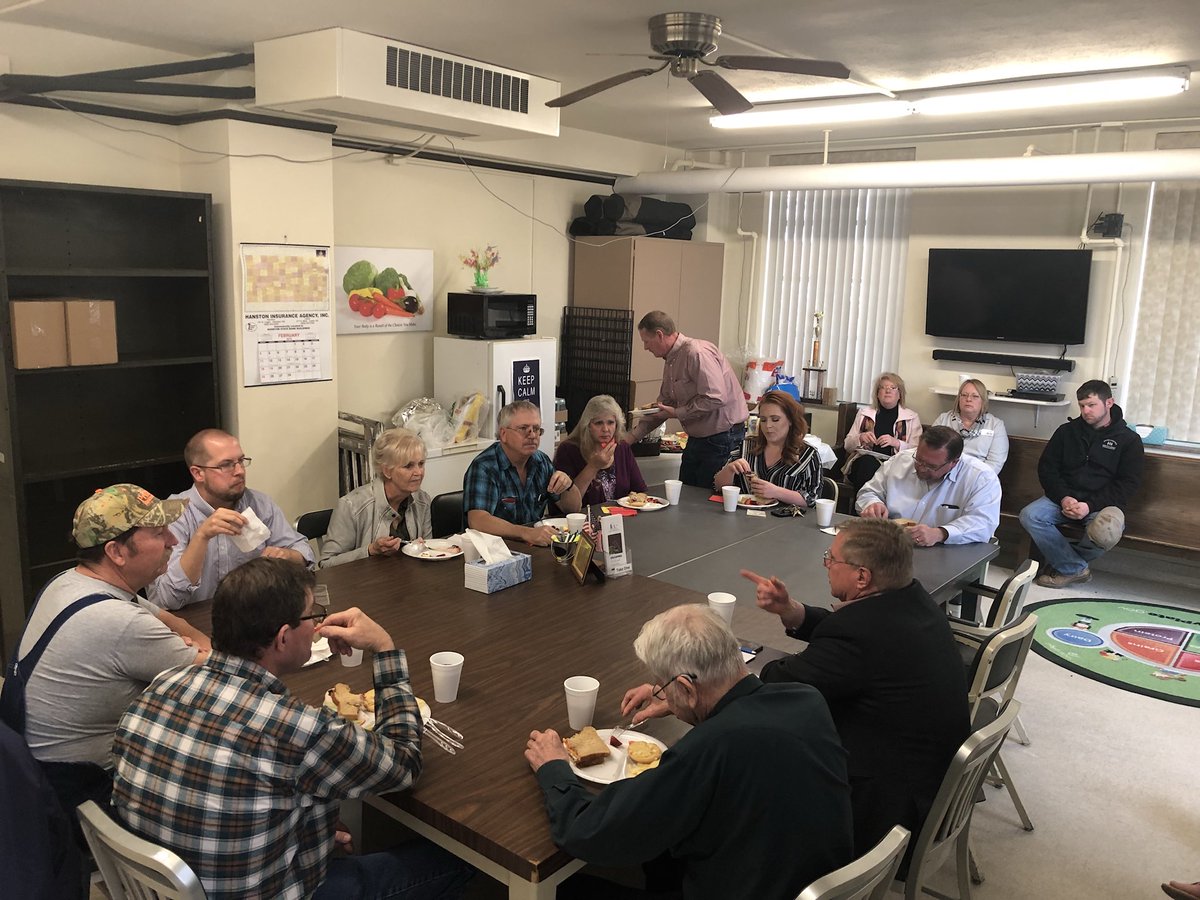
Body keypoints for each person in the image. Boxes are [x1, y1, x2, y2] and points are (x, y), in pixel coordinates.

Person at [112, 557, 474, 900]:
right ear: (283, 638)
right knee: (459, 859)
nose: (317, 625)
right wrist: (383, 648)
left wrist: (307, 830)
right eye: (312, 615)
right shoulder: (295, 728)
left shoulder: (164, 684)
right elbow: (404, 763)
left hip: (171, 885)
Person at [524, 605, 853, 900]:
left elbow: (588, 833)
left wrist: (554, 767)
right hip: (812, 881)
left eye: (664, 686)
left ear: (686, 687)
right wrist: (686, 704)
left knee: (570, 888)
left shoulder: (709, 747)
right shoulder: (806, 700)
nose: (661, 692)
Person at [741, 518, 970, 862]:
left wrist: (730, 662)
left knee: (749, 764)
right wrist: (790, 611)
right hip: (931, 783)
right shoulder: (912, 600)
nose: (826, 565)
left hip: (888, 812)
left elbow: (779, 683)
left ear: (862, 577)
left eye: (832, 559)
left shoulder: (859, 635)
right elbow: (850, 632)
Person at [12, 484, 208, 821]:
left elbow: (172, 620)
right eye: (159, 533)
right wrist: (193, 644)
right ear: (116, 552)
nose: (173, 541)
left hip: (31, 774)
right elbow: (218, 674)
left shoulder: (69, 581)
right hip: (81, 796)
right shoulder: (118, 620)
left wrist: (184, 639)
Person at [149, 428, 314, 608]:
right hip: (193, 618)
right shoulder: (173, 515)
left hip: (252, 612)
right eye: (226, 465)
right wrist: (201, 537)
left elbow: (303, 553)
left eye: (241, 461)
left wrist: (287, 555)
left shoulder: (260, 504)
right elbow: (167, 599)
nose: (240, 471)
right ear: (198, 473)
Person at [1019, 379, 1144, 588]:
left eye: (1092, 405)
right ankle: (1074, 569)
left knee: (1107, 532)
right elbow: (1047, 469)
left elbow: (1128, 484)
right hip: (1063, 499)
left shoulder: (1129, 440)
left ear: (1109, 403)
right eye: (1082, 405)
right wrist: (1064, 497)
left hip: (1101, 504)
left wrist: (1089, 505)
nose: (1086, 411)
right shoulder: (1066, 432)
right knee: (1030, 515)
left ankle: (1065, 564)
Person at [625, 311, 749, 489]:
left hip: (721, 437)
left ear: (659, 335)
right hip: (699, 437)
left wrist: (677, 413)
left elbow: (715, 397)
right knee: (686, 493)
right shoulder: (671, 360)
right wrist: (629, 439)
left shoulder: (696, 353)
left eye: (646, 341)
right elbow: (664, 405)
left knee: (707, 496)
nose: (645, 347)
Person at [857, 425, 1001, 547]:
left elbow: (983, 523)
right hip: (891, 544)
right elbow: (868, 492)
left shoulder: (981, 478)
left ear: (954, 462)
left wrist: (940, 533)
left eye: (931, 466)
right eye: (918, 459)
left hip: (948, 551)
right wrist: (872, 504)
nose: (921, 468)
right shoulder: (900, 461)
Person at [464, 400, 581, 546]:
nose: (532, 435)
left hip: (533, 547)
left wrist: (568, 485)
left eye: (536, 429)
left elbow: (573, 509)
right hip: (493, 550)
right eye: (523, 428)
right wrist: (526, 533)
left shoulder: (541, 461)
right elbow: (478, 520)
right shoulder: (485, 466)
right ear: (503, 434)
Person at [321, 427, 433, 567]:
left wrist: (424, 547)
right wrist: (370, 550)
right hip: (364, 579)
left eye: (421, 464)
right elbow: (327, 564)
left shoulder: (423, 500)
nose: (418, 472)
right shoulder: (351, 506)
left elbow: (428, 551)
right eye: (408, 466)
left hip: (408, 577)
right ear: (387, 471)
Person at [713, 389, 822, 507]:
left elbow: (812, 500)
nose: (768, 426)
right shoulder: (746, 447)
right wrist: (729, 470)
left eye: (775, 419)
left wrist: (777, 492)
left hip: (786, 517)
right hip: (744, 516)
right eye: (763, 420)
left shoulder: (808, 455)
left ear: (791, 420)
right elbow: (718, 487)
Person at [554, 394, 648, 506]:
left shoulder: (622, 447)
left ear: (617, 424)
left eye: (610, 422)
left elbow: (640, 490)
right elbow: (566, 504)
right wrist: (593, 466)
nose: (605, 429)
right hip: (585, 516)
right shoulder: (568, 450)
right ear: (588, 425)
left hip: (622, 515)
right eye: (598, 423)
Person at [841, 372, 923, 492]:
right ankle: (865, 502)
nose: (888, 391)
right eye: (883, 387)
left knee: (884, 473)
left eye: (893, 388)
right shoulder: (864, 413)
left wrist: (896, 443)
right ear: (877, 394)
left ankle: (865, 503)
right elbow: (847, 445)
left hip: (895, 466)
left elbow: (918, 452)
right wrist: (860, 438)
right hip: (863, 463)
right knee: (867, 464)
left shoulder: (911, 417)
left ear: (900, 394)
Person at [932, 378, 1009, 473]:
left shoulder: (996, 425)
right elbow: (930, 450)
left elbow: (995, 463)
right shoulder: (943, 419)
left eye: (975, 396)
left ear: (983, 401)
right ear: (959, 399)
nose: (968, 399)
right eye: (964, 395)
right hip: (943, 473)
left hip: (978, 477)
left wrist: (973, 479)